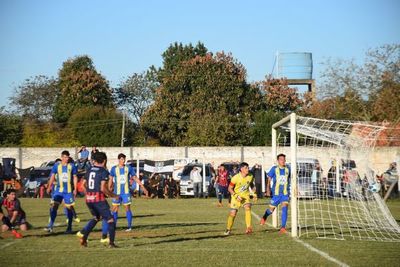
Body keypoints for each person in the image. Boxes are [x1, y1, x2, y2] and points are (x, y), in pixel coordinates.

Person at [77, 152, 118, 248]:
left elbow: (83, 185)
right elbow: (103, 188)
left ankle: (84, 236)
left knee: (96, 217)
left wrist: (89, 193)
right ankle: (111, 243)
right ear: (104, 161)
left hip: (88, 199)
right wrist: (114, 195)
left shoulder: (89, 169)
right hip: (98, 199)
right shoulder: (103, 171)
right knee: (111, 220)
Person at [109, 153, 148, 231]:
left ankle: (129, 226)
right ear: (119, 160)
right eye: (122, 159)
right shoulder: (114, 169)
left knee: (127, 208)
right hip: (116, 192)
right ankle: (114, 226)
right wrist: (109, 189)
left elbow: (135, 178)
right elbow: (110, 179)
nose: (123, 161)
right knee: (114, 209)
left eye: (124, 159)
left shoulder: (128, 168)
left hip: (126, 192)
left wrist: (142, 187)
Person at [45, 150, 78, 233]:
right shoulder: (57, 166)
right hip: (58, 191)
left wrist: (75, 189)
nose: (66, 158)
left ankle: (69, 227)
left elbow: (75, 177)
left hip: (68, 191)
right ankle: (50, 226)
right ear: (62, 157)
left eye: (68, 157)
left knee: (69, 208)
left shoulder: (72, 166)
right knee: (54, 206)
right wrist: (49, 186)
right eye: (65, 157)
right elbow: (52, 176)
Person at [260, 154, 291, 234]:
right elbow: (269, 179)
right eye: (281, 159)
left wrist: (295, 187)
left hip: (285, 194)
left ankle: (283, 227)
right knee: (271, 210)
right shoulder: (274, 169)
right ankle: (265, 216)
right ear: (278, 161)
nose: (283, 161)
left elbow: (291, 179)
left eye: (284, 159)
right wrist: (268, 189)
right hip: (276, 194)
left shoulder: (288, 169)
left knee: (285, 208)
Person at [224, 162, 256, 235]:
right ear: (241, 169)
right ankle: (228, 229)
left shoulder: (250, 176)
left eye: (248, 168)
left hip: (245, 197)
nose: (248, 169)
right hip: (236, 197)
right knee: (233, 213)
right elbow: (229, 188)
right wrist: (235, 196)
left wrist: (254, 193)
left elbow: (251, 185)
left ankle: (248, 227)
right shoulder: (235, 178)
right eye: (246, 168)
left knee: (247, 207)